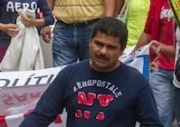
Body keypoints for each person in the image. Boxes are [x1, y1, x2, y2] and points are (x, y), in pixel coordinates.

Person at [22, 17, 161, 127]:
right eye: (98, 44)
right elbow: (40, 116)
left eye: (111, 47)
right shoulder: (69, 74)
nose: (103, 52)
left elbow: (152, 124)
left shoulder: (137, 82)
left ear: (122, 49)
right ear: (90, 42)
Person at [133, 0, 180, 127]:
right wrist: (132, 53)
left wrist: (165, 48)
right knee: (160, 117)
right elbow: (148, 31)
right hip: (160, 68)